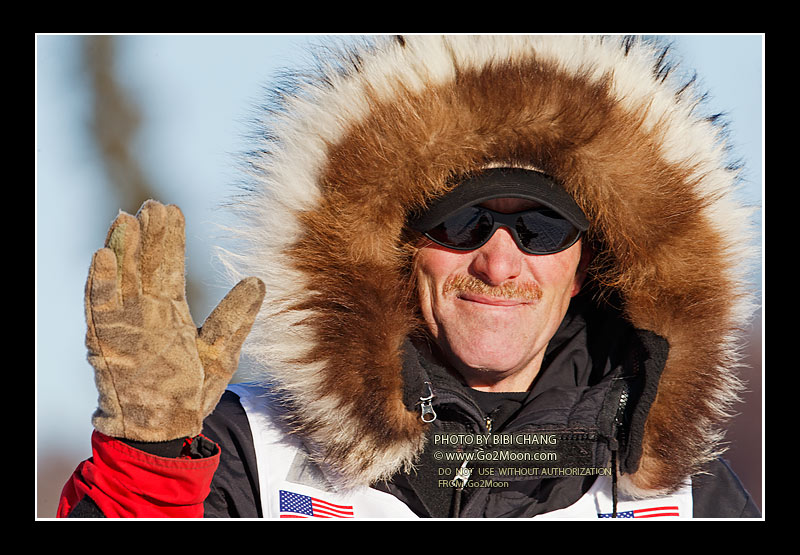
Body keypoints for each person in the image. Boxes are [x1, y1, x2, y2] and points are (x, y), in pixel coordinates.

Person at [57, 35, 760, 519]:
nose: (499, 263)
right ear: (398, 251)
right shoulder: (247, 453)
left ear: (585, 267)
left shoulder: (679, 495)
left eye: (542, 229)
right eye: (462, 223)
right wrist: (147, 468)